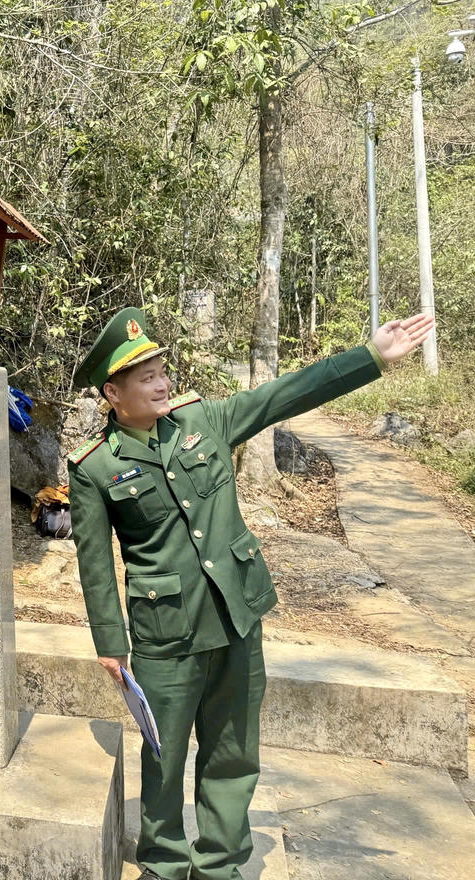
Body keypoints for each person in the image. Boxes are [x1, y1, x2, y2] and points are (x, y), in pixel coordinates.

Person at [67, 307, 436, 880]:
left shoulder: (203, 421)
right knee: (163, 760)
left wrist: (371, 356)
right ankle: (163, 864)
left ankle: (220, 864)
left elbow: (283, 395)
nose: (163, 382)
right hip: (166, 635)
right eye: (146, 377)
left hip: (237, 615)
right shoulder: (95, 467)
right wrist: (110, 644)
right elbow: (94, 562)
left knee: (233, 753)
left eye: (163, 369)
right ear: (113, 393)